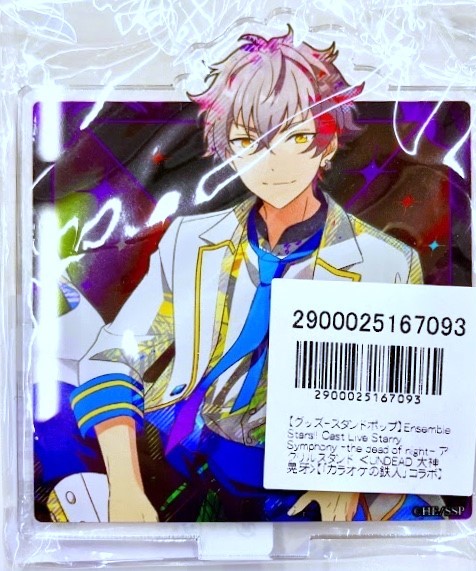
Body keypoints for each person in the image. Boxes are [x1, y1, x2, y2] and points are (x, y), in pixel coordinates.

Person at [67, 27, 434, 523]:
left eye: (297, 138)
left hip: (302, 478)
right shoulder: (191, 240)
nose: (271, 163)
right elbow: (114, 356)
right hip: (186, 448)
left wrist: (349, 475)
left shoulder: (384, 263)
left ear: (328, 144)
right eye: (247, 141)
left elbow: (399, 403)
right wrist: (126, 487)